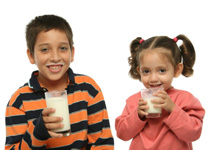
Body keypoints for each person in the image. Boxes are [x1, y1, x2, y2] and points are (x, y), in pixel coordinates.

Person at [5, 14, 114, 150]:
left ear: (72, 53)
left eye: (62, 48)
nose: (55, 57)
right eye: (45, 49)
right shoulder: (18, 102)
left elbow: (102, 142)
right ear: (31, 56)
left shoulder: (88, 89)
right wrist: (38, 133)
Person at [115, 35, 205, 150]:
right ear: (139, 71)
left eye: (161, 70)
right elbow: (122, 134)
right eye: (146, 71)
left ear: (177, 70)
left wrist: (173, 108)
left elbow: (194, 133)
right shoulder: (134, 101)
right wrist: (137, 115)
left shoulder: (186, 99)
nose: (153, 78)